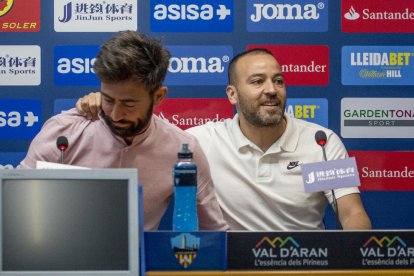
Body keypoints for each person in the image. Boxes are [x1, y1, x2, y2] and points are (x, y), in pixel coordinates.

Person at [76, 48, 372, 231]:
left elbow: (352, 214)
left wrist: (353, 261)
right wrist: (101, 105)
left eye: (278, 81)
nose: (271, 90)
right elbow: (138, 129)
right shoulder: (199, 142)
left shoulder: (321, 142)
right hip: (230, 267)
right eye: (257, 81)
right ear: (231, 94)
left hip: (308, 266)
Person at [19, 30, 228, 231]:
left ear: (158, 96)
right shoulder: (64, 132)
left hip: (140, 264)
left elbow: (214, 230)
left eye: (129, 104)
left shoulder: (183, 151)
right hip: (58, 262)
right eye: (108, 99)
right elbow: (15, 204)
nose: (116, 114)